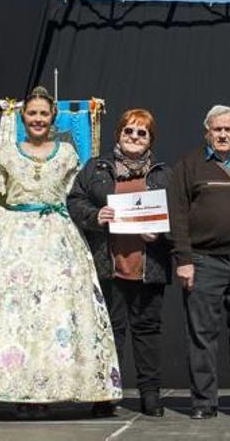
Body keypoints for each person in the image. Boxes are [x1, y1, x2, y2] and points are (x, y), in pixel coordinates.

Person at [0, 86, 122, 412]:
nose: (37, 119)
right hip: (10, 237)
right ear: (22, 117)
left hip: (57, 240)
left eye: (43, 114)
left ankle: (69, 390)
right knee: (4, 313)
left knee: (56, 312)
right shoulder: (5, 153)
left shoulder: (67, 155)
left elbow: (77, 198)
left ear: (53, 117)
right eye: (32, 113)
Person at [68, 108, 171, 417]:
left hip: (148, 266)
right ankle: (104, 394)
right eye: (129, 131)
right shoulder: (96, 168)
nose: (134, 137)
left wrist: (163, 233)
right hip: (108, 264)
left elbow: (180, 213)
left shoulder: (164, 173)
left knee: (147, 331)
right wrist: (94, 217)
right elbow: (75, 200)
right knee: (108, 331)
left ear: (151, 139)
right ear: (119, 134)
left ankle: (150, 395)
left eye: (142, 133)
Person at [168, 105, 230, 420]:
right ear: (206, 132)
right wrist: (183, 259)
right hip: (203, 259)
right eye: (217, 129)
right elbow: (178, 214)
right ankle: (204, 402)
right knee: (202, 334)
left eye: (229, 130)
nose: (222, 134)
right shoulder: (189, 166)